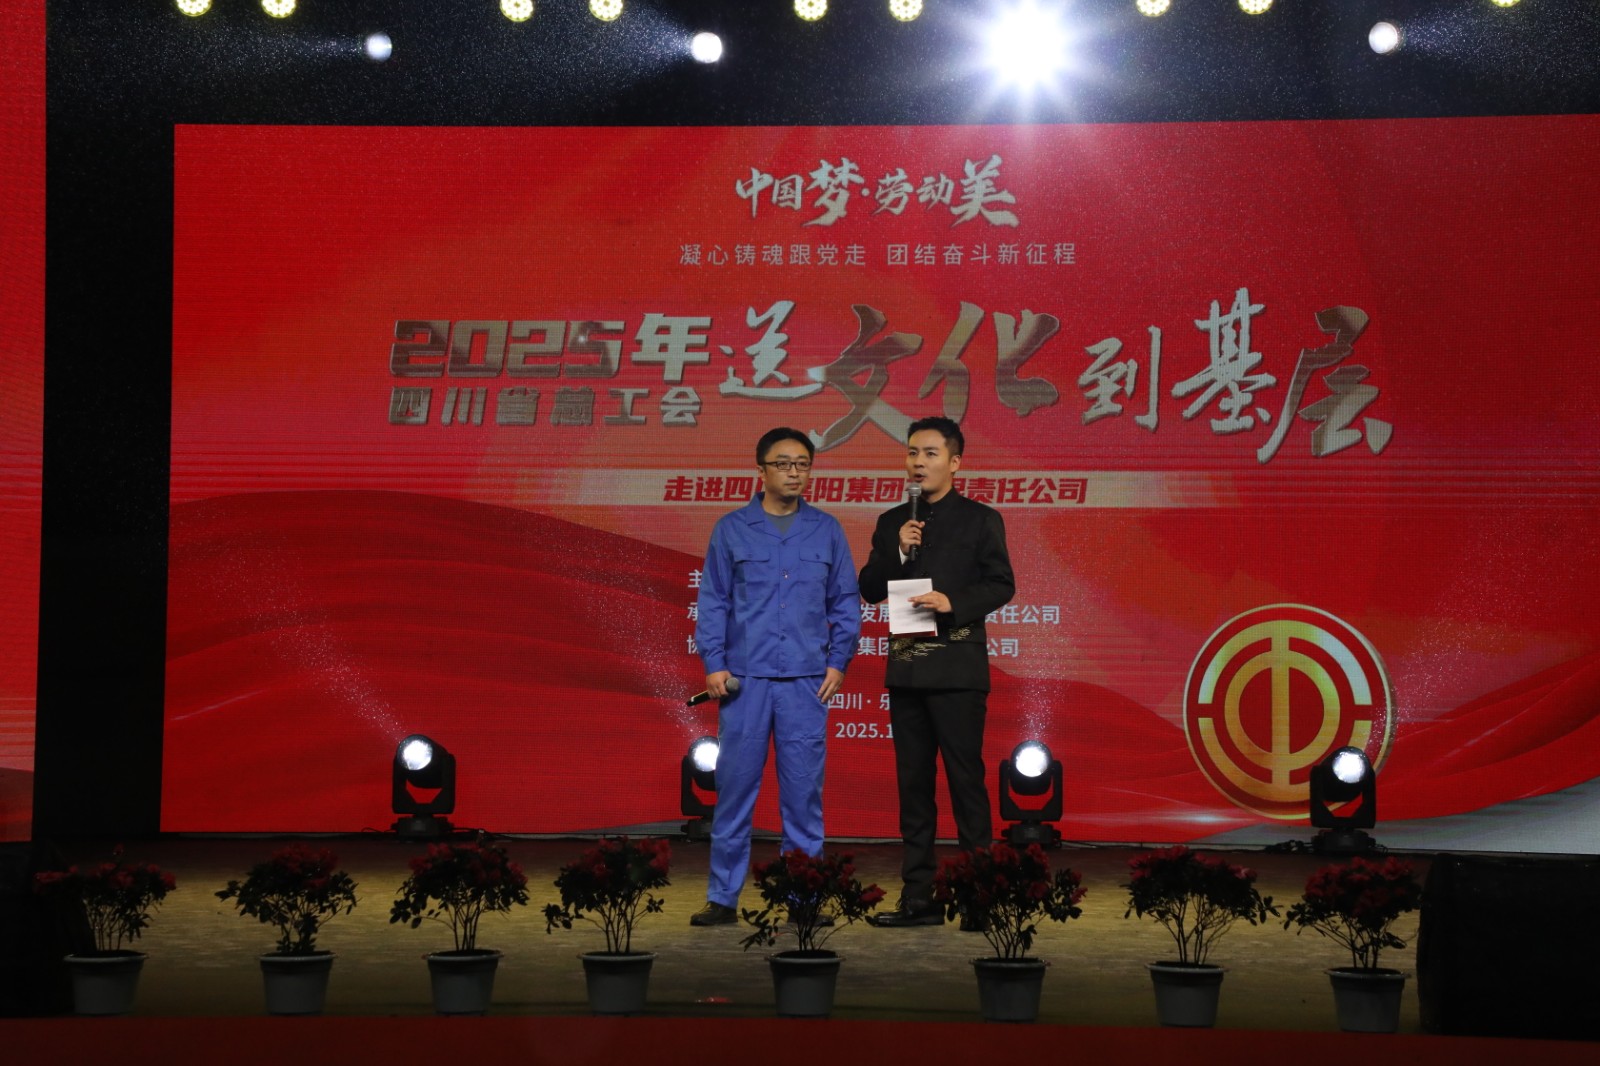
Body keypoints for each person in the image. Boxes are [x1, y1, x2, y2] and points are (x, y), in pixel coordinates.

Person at [689, 427, 861, 926]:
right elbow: (714, 601)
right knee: (734, 793)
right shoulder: (732, 529)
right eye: (783, 463)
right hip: (744, 682)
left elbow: (845, 602)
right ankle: (722, 899)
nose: (794, 473)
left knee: (803, 796)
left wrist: (838, 662)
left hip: (806, 682)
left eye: (802, 464)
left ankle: (802, 899)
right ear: (760, 469)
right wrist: (714, 663)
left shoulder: (826, 530)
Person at [858, 416, 1015, 928]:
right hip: (907, 669)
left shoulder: (980, 519)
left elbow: (1001, 583)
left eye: (929, 454)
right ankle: (919, 898)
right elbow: (870, 587)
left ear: (955, 462)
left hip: (957, 671)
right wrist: (899, 551)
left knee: (966, 784)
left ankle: (978, 896)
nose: (918, 463)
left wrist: (953, 602)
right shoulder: (893, 521)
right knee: (914, 788)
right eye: (912, 453)